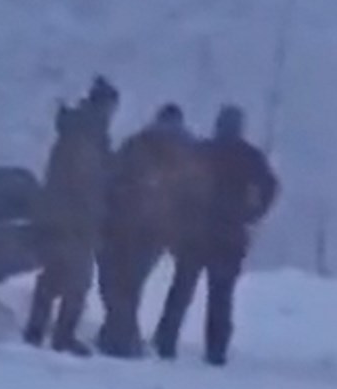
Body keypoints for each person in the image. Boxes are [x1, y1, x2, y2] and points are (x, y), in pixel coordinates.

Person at [153, 104, 278, 365]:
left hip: (196, 233)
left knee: (182, 290)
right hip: (229, 235)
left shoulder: (202, 151)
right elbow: (270, 187)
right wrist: (252, 213)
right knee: (221, 296)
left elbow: (178, 187)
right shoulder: (249, 156)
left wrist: (178, 219)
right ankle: (216, 349)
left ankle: (166, 341)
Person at [95, 102, 208, 358]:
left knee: (116, 283)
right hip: (160, 230)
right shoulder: (191, 153)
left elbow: (111, 178)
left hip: (123, 222)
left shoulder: (138, 144)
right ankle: (120, 337)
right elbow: (195, 194)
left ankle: (119, 339)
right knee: (133, 283)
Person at [24, 76, 119, 356]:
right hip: (76, 221)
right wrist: (97, 216)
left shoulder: (75, 131)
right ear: (104, 105)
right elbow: (88, 183)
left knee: (53, 277)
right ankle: (63, 336)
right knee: (77, 282)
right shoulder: (88, 135)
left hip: (56, 216)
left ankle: (35, 331)